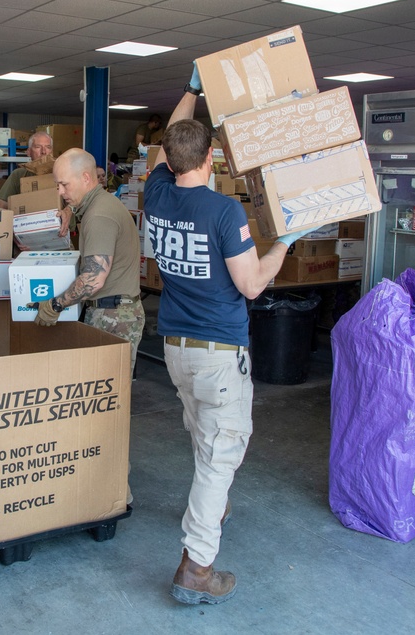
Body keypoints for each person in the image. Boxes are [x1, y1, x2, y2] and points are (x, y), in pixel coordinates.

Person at [144, 64, 315, 605]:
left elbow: (170, 140)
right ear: (212, 159)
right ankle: (197, 567)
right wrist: (283, 243)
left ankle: (210, 507)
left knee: (204, 436)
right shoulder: (223, 210)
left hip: (174, 346)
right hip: (218, 351)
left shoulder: (157, 192)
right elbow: (251, 286)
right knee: (222, 453)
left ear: (168, 161)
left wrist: (191, 89)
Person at [31, 148, 144, 376]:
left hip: (112, 317)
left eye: (64, 185)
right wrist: (70, 209)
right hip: (113, 312)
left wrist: (54, 306)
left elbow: (93, 280)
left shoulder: (99, 216)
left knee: (107, 395)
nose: (60, 191)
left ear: (85, 178)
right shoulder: (99, 204)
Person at [0, 131, 53, 208]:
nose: (43, 152)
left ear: (51, 151)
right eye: (38, 147)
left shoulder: (60, 174)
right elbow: (0, 206)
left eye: (48, 147)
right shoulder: (18, 175)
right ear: (29, 152)